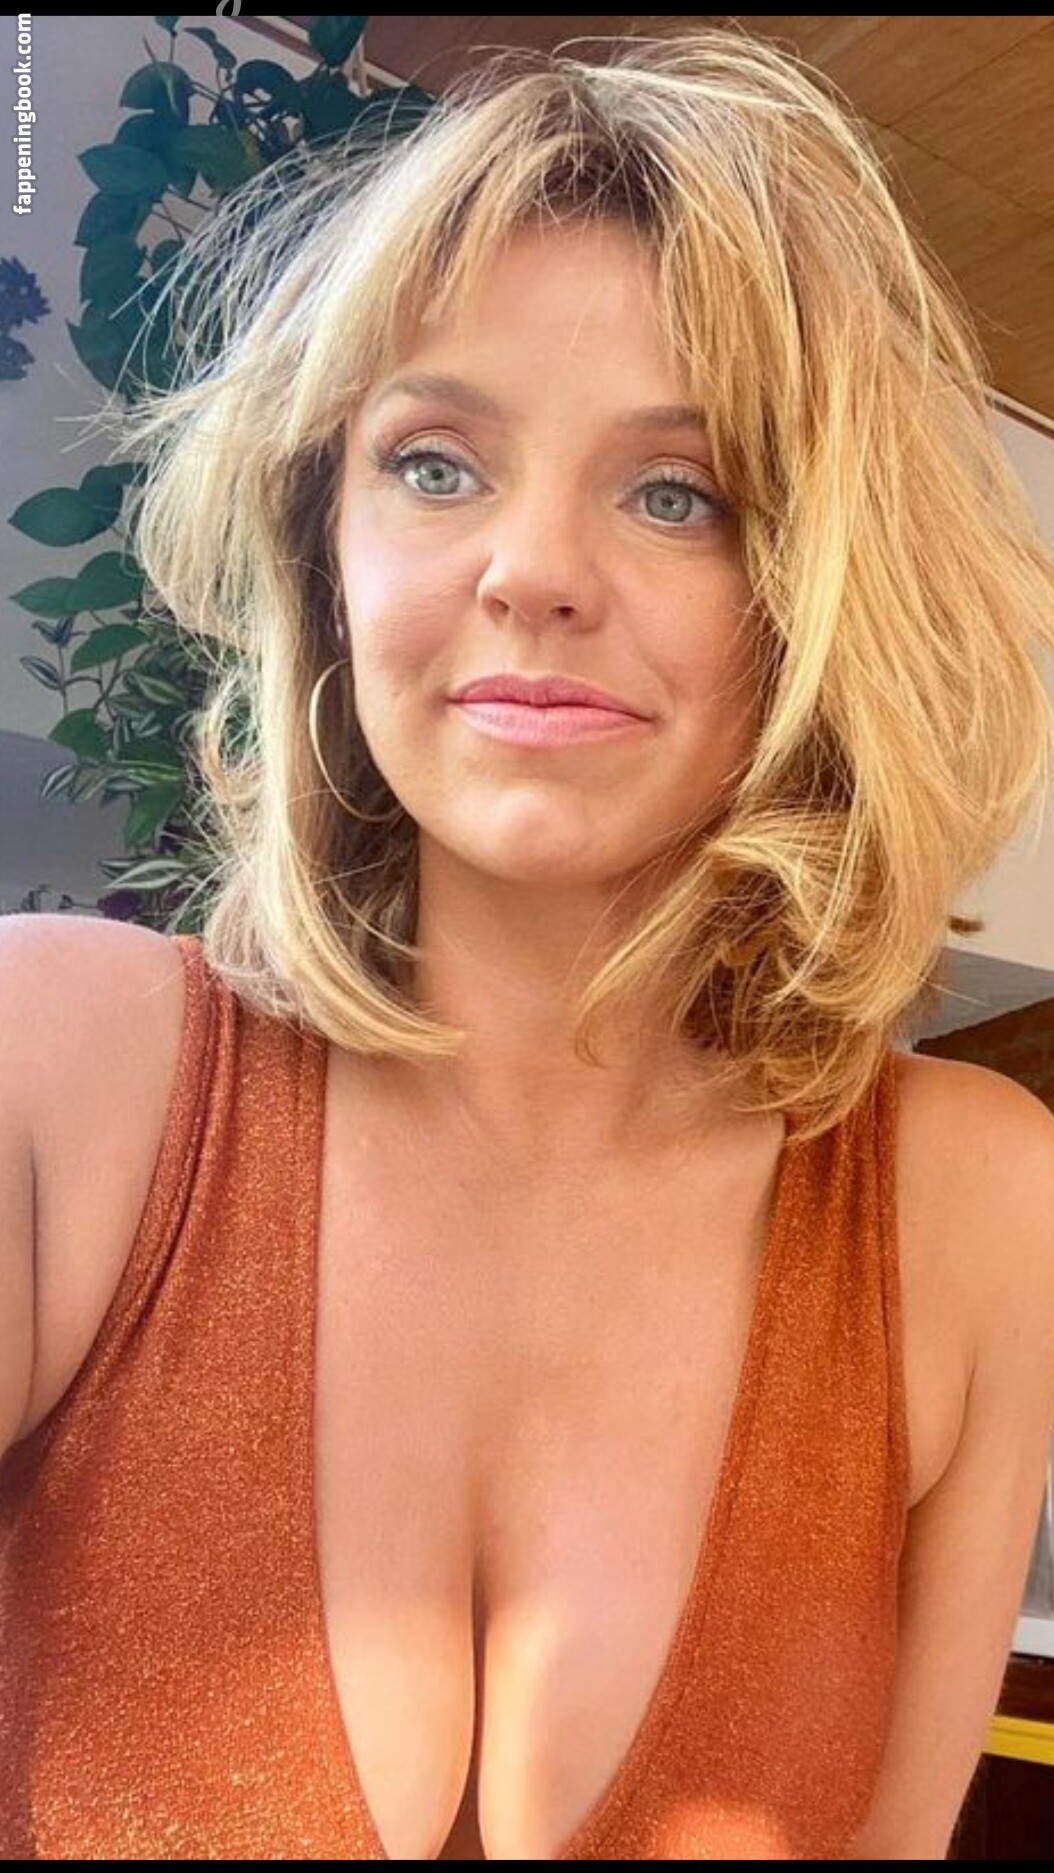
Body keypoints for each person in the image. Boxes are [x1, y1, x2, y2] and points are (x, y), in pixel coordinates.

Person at [4, 24, 1054, 1862]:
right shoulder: (57, 1072)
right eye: (433, 464)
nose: (533, 569)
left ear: (815, 597)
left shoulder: (973, 1209)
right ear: (327, 552)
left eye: (677, 491)